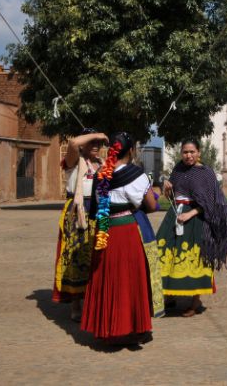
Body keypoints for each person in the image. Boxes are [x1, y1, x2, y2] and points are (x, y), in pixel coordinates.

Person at [80, 132, 159, 345]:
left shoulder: (100, 174)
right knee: (131, 279)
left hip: (104, 230)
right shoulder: (136, 174)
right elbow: (151, 206)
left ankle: (106, 328)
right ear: (131, 151)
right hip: (127, 230)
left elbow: (95, 211)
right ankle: (135, 328)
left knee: (106, 277)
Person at [158, 139, 227, 317]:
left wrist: (190, 214)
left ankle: (195, 301)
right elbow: (171, 196)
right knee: (167, 253)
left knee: (195, 258)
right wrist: (167, 188)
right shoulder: (177, 170)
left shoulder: (205, 173)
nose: (189, 155)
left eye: (192, 152)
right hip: (174, 216)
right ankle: (170, 294)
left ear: (199, 152)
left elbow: (210, 204)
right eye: (185, 152)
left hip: (196, 220)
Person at [52, 128, 108, 322]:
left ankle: (93, 300)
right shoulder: (74, 161)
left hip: (99, 209)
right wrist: (98, 134)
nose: (96, 146)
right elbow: (73, 143)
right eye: (92, 142)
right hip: (77, 211)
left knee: (95, 255)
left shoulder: (102, 163)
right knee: (76, 256)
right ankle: (76, 304)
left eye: (99, 144)